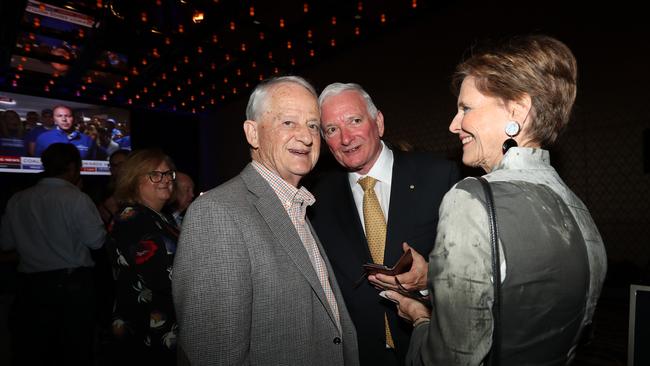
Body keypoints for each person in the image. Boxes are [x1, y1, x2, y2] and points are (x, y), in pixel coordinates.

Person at [379, 35, 608, 365]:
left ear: (516, 108)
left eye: (466, 108)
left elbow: (448, 359)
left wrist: (421, 319)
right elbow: (519, 292)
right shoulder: (577, 209)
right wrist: (435, 278)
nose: (453, 124)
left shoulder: (470, 199)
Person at [173, 76, 359, 365]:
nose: (307, 137)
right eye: (288, 123)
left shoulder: (297, 206)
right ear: (253, 133)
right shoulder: (216, 214)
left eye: (313, 125)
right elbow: (213, 355)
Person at [308, 83, 459, 365]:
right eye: (331, 129)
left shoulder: (438, 176)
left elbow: (473, 273)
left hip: (431, 348)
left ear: (378, 122)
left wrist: (430, 281)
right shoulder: (316, 201)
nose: (345, 138)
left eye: (354, 121)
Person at [0, 142, 106, 366]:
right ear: (72, 167)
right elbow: (97, 242)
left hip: (30, 288)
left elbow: (6, 243)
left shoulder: (18, 199)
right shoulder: (76, 198)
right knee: (75, 351)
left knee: (36, 352)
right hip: (71, 288)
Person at [106, 148, 179, 365]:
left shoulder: (160, 217)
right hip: (145, 324)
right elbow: (159, 277)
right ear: (133, 180)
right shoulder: (132, 219)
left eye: (168, 174)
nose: (165, 180)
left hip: (162, 322)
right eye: (155, 175)